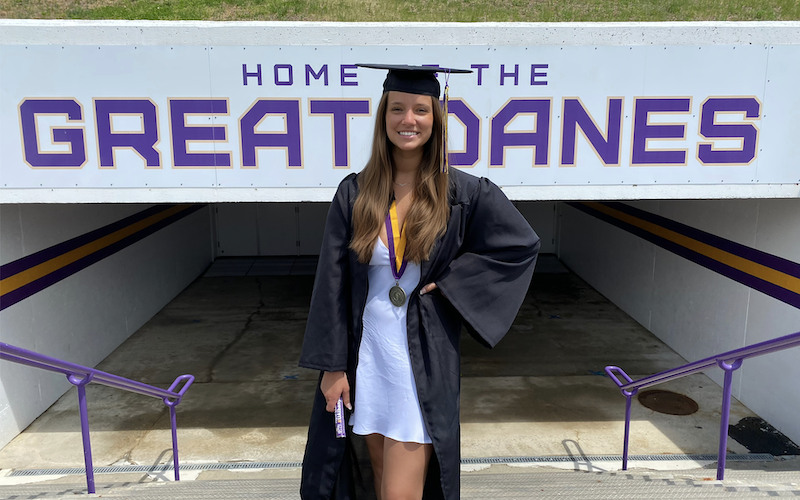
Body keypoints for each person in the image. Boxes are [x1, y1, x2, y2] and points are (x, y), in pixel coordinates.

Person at [299, 64, 540, 500]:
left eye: (420, 110)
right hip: (366, 353)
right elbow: (331, 284)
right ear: (383, 117)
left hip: (421, 359)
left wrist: (451, 286)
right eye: (397, 109)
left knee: (400, 493)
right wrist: (332, 366)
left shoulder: (462, 193)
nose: (408, 120)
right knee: (374, 472)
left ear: (436, 118)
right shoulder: (355, 194)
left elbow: (519, 245)